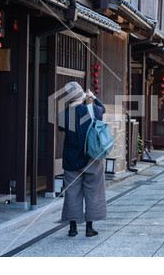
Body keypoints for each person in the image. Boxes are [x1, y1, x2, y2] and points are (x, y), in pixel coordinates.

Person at [58, 82, 107, 237]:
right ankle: (89, 228)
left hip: (71, 159)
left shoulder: (63, 115)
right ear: (82, 95)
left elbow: (62, 127)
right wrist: (92, 97)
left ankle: (72, 228)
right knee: (93, 192)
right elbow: (103, 109)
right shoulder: (91, 110)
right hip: (92, 158)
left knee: (72, 193)